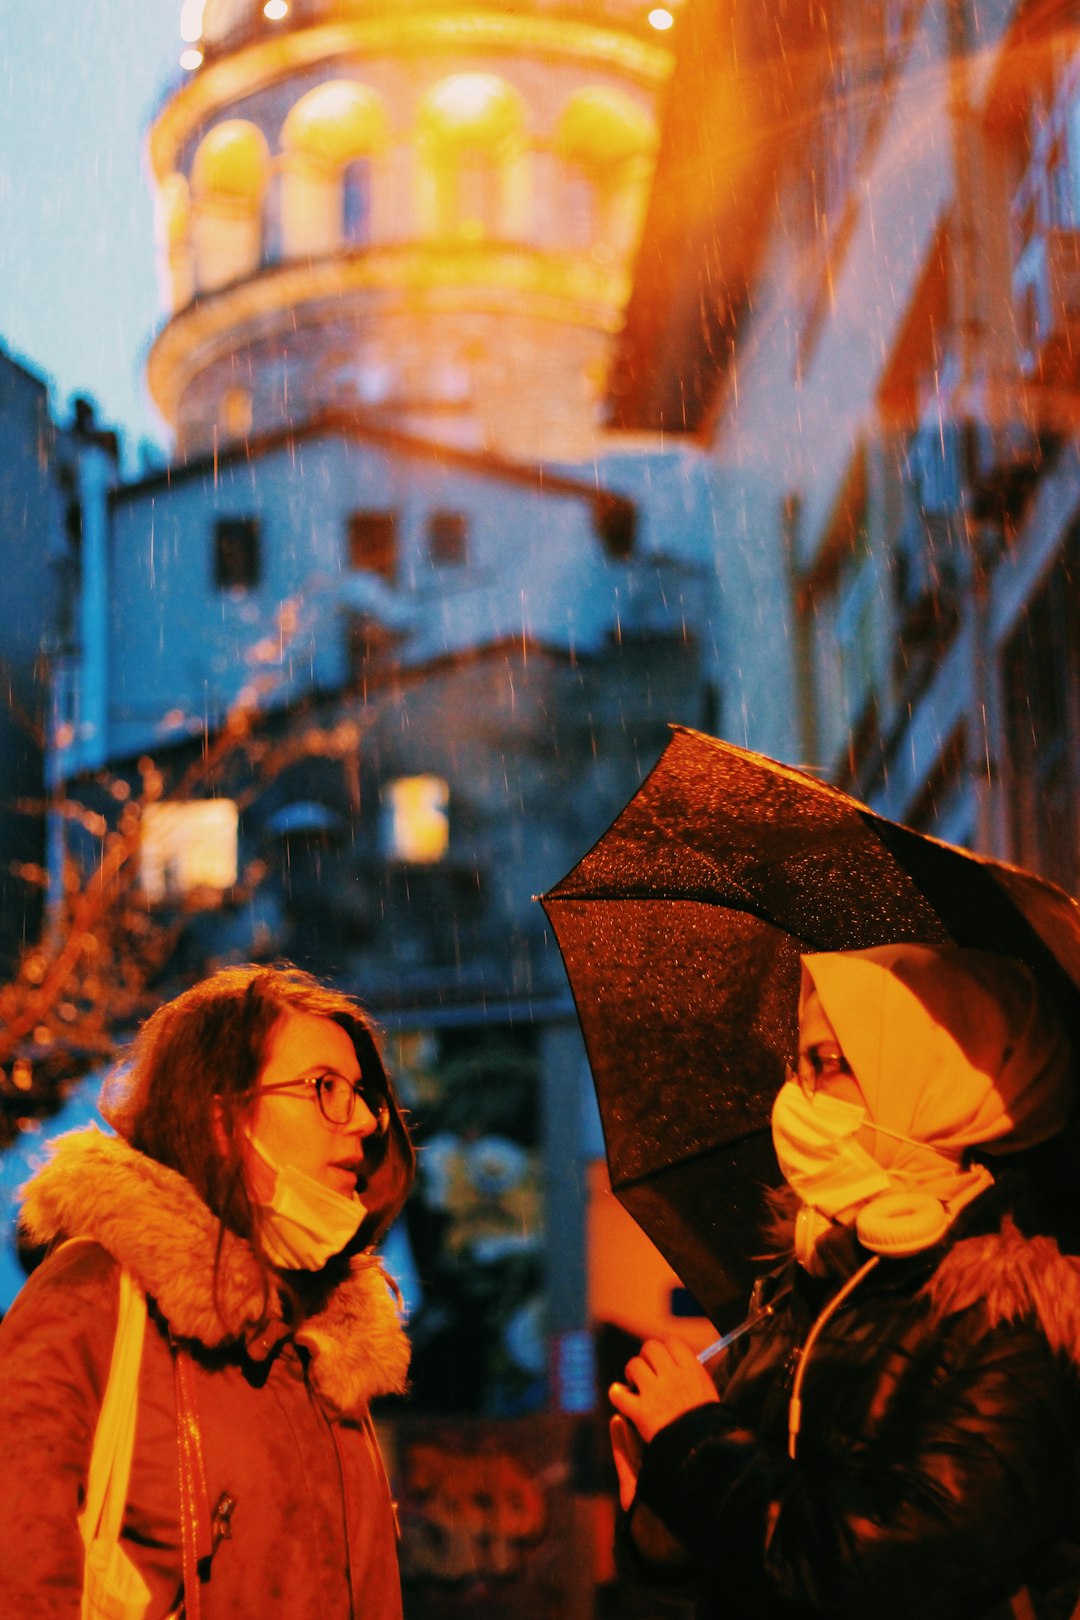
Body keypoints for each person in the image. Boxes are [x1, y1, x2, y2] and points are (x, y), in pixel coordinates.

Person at [609, 943, 1080, 1620]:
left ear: (936, 1075)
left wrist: (696, 1443)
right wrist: (663, 1513)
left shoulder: (1018, 1315)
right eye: (805, 1063)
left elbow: (887, 1574)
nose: (803, 1093)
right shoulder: (801, 1286)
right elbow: (748, 1560)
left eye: (836, 1063)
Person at [0, 963, 416, 1619]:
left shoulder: (328, 1353)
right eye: (324, 1088)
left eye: (363, 1093)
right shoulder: (94, 1300)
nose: (364, 1120)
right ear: (221, 1117)